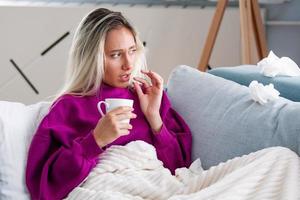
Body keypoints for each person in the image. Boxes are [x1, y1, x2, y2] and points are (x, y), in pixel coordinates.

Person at [25, 8, 192, 200]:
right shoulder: (67, 107)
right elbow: (45, 187)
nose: (128, 64)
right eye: (115, 55)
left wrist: (154, 118)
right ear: (91, 57)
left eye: (132, 51)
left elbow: (179, 167)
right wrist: (95, 140)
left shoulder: (148, 96)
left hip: (159, 188)